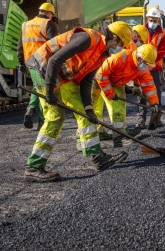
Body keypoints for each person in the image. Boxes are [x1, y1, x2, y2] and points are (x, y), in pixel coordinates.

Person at [23, 21, 133, 182]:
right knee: (56, 117)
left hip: (63, 75)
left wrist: (88, 108)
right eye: (121, 45)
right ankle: (33, 167)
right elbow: (54, 60)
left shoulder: (101, 54)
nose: (118, 50)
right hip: (42, 69)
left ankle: (98, 158)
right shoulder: (87, 38)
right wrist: (49, 91)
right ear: (115, 39)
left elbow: (86, 82)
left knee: (84, 113)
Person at [93, 44, 161, 144]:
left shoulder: (142, 68)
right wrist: (109, 93)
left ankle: (119, 138)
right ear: (139, 57)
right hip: (95, 79)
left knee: (119, 108)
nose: (146, 66)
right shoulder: (119, 58)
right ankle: (96, 134)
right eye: (145, 62)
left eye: (148, 64)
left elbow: (149, 86)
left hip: (114, 83)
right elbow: (101, 75)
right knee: (93, 109)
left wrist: (154, 103)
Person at [18, 3, 58, 130]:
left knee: (37, 87)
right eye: (52, 15)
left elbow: (20, 46)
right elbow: (54, 45)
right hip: (43, 61)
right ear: (49, 13)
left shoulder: (25, 24)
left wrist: (21, 63)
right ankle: (42, 121)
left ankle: (30, 110)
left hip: (30, 61)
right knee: (44, 90)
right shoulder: (49, 24)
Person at [144, 8, 165, 129]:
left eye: (155, 20)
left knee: (157, 94)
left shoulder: (162, 33)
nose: (152, 22)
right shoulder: (141, 31)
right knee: (141, 94)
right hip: (142, 67)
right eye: (150, 20)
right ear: (147, 19)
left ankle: (156, 119)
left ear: (158, 20)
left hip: (155, 67)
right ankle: (141, 120)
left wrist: (152, 59)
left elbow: (162, 50)